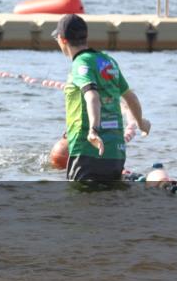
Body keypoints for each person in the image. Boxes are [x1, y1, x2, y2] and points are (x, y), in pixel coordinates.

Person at [53, 14, 149, 182]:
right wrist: (141, 124)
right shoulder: (108, 61)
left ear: (62, 40)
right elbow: (130, 97)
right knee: (109, 202)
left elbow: (92, 96)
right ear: (86, 37)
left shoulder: (80, 64)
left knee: (80, 204)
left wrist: (93, 131)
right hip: (116, 154)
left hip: (88, 152)